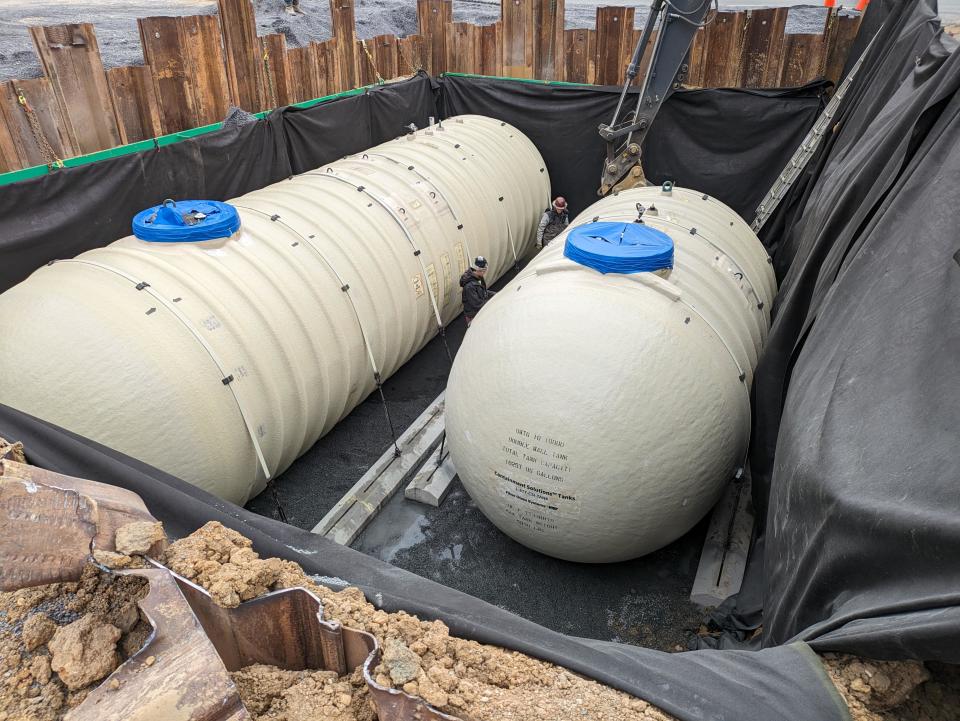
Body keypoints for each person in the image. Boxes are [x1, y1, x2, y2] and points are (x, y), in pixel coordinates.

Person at [460, 256, 495, 327]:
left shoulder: (478, 277)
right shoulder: (469, 287)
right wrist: (491, 302)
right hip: (473, 315)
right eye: (484, 270)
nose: (485, 272)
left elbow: (483, 291)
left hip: (478, 311)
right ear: (479, 270)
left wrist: (495, 295)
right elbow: (477, 304)